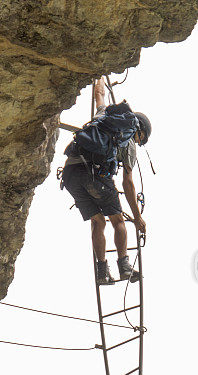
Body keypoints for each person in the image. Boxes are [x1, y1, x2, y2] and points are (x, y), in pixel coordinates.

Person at [61, 77, 150, 285]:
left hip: (71, 173)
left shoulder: (103, 117)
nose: (138, 142)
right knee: (117, 221)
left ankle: (102, 272)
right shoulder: (128, 143)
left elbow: (99, 94)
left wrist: (100, 73)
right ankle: (124, 266)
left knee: (98, 220)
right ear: (140, 131)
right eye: (140, 139)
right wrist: (137, 218)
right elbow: (128, 184)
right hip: (95, 176)